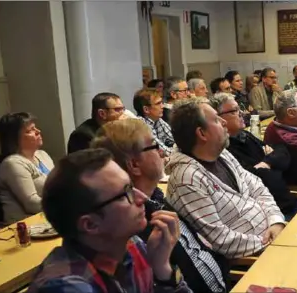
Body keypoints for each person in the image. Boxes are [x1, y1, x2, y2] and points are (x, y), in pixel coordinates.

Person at [92, 119, 228, 293]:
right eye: (154, 146)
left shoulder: (157, 197)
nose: (162, 151)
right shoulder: (134, 227)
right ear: (134, 164)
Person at [26, 149, 189, 293]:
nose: (142, 198)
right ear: (90, 225)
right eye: (125, 194)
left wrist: (162, 268)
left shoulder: (133, 247)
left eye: (131, 186)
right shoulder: (65, 286)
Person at [165, 99, 286, 258]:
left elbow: (258, 189)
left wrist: (276, 222)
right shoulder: (187, 179)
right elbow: (219, 240)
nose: (224, 122)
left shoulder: (222, 154)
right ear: (202, 133)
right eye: (216, 119)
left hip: (274, 235)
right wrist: (269, 243)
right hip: (255, 258)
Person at [209, 93, 297, 220]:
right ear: (219, 118)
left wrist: (266, 163)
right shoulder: (223, 150)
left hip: (289, 202)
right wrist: (271, 164)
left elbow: (283, 153)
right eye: (235, 111)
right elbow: (256, 177)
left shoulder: (244, 135)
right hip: (273, 215)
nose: (242, 113)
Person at [0, 112, 55, 224]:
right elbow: (32, 204)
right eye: (30, 130)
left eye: (36, 128)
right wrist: (66, 203)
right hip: (24, 228)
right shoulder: (12, 164)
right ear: (14, 139)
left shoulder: (42, 155)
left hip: (47, 220)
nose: (38, 131)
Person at [134, 89, 174, 157]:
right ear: (146, 109)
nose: (162, 106)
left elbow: (174, 140)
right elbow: (166, 152)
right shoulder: (141, 126)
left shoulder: (157, 119)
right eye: (158, 104)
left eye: (162, 102)